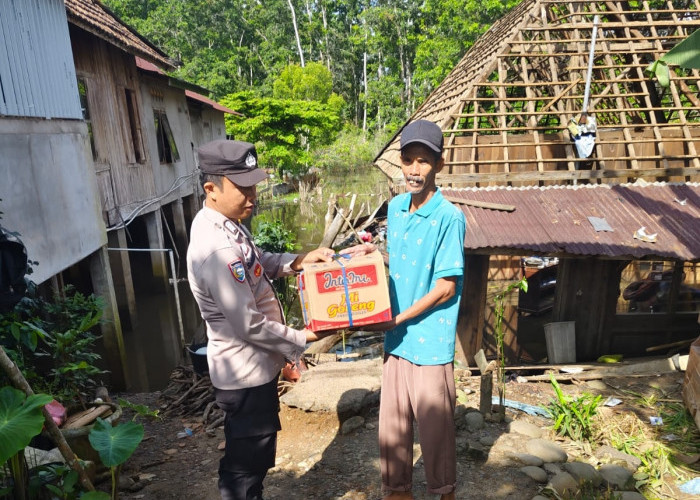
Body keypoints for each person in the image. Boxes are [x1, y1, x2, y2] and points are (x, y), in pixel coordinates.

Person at [186, 139, 352, 500]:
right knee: (246, 466)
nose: (253, 195)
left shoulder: (228, 224)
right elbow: (248, 324)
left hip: (255, 367)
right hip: (243, 373)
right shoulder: (216, 248)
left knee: (254, 456)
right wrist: (303, 338)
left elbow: (259, 262)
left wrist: (300, 261)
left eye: (254, 185)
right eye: (243, 188)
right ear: (211, 189)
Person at [368, 120, 466, 499]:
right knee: (392, 438)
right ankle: (398, 493)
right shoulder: (395, 209)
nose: (414, 169)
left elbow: (445, 287)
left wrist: (398, 318)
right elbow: (396, 261)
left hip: (429, 346)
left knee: (437, 441)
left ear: (439, 165)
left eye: (423, 161)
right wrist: (368, 256)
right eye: (408, 160)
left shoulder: (448, 218)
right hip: (395, 343)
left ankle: (444, 493)